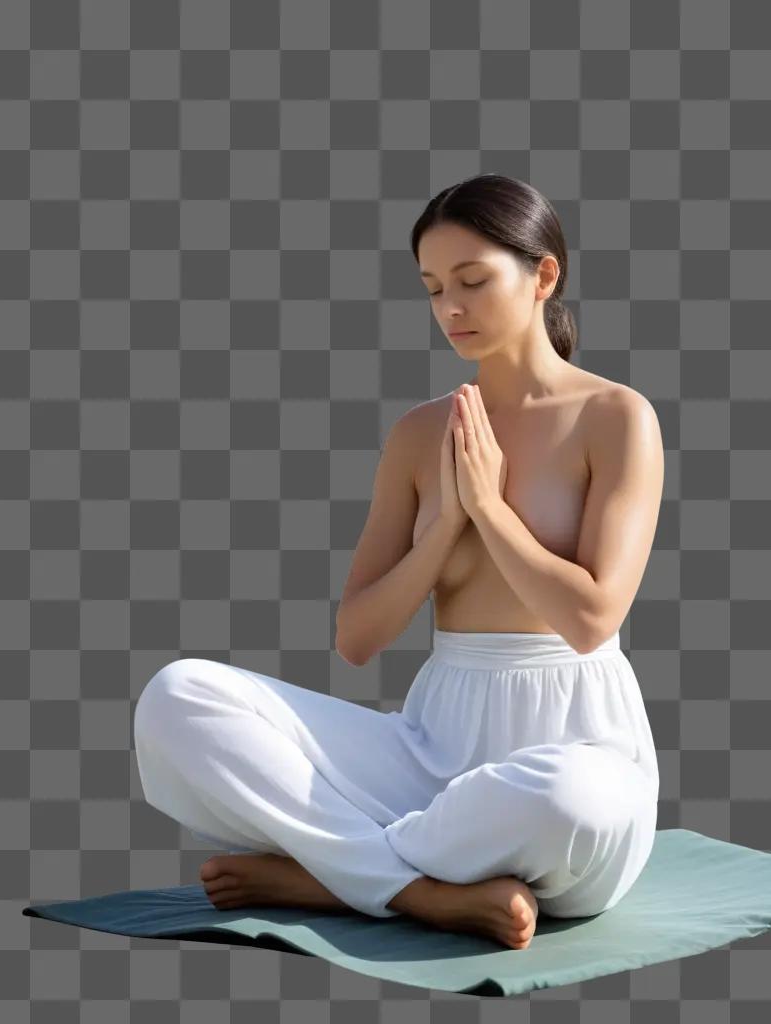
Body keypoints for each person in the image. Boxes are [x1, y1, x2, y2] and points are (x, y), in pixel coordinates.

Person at [133, 173, 665, 952]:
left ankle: (333, 875)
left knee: (572, 799)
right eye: (434, 287)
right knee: (178, 697)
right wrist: (444, 527)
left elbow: (591, 620)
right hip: (430, 751)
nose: (451, 308)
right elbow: (357, 639)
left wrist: (489, 508)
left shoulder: (616, 417)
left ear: (544, 274)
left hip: (578, 742)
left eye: (474, 281)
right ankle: (421, 889)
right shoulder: (422, 435)